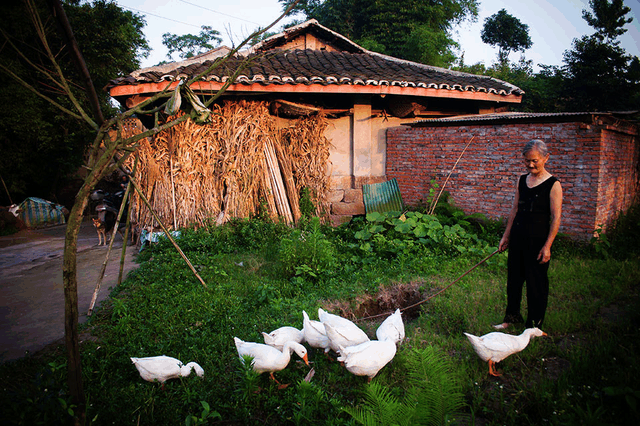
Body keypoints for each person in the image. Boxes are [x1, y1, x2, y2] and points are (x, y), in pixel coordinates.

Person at [496, 139, 563, 330]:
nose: (530, 165)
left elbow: (556, 217)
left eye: (535, 160)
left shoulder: (553, 184)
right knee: (514, 281)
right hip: (518, 238)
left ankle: (534, 326)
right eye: (527, 161)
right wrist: (506, 236)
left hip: (538, 242)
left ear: (546, 158)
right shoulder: (522, 180)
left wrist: (547, 246)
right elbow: (515, 208)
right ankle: (511, 318)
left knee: (536, 284)